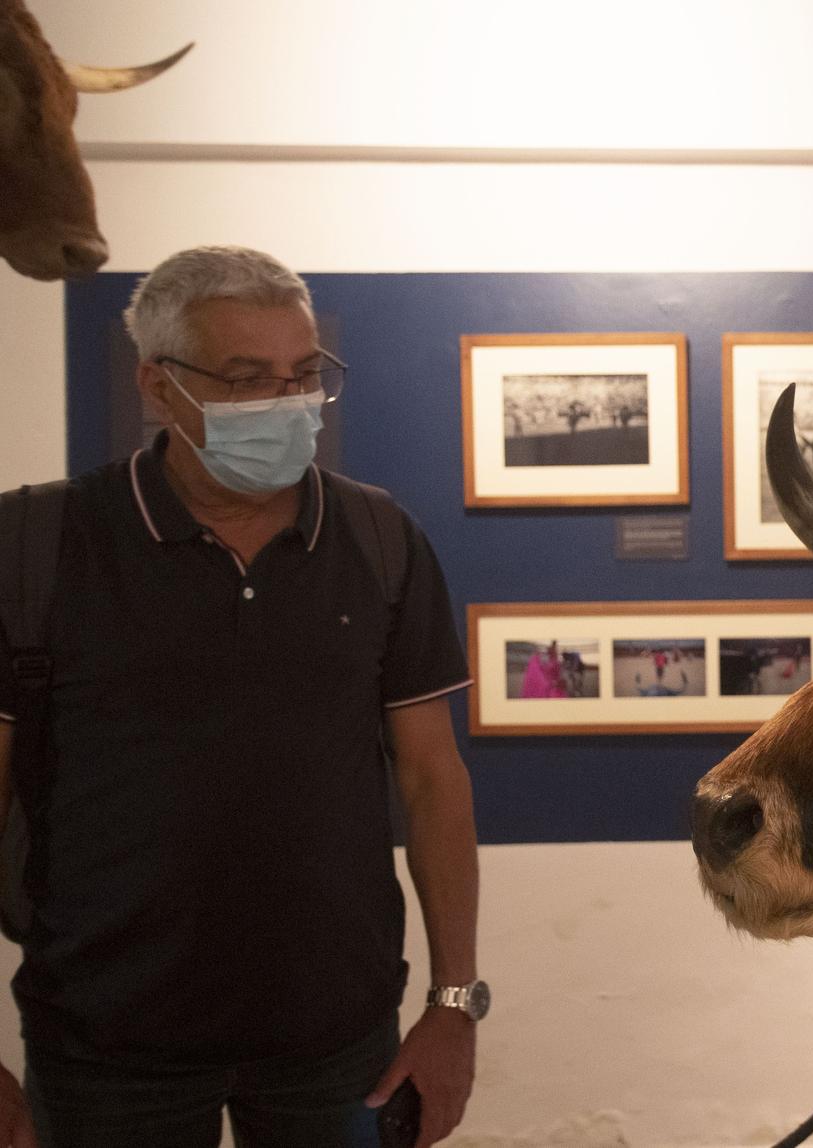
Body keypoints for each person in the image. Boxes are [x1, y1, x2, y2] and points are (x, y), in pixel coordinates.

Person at [0, 247, 484, 1148]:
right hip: (105, 1046)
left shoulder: (380, 539)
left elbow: (432, 780)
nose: (286, 403)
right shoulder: (37, 544)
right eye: (247, 379)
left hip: (337, 1043)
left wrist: (454, 1005)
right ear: (157, 385)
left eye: (304, 374)